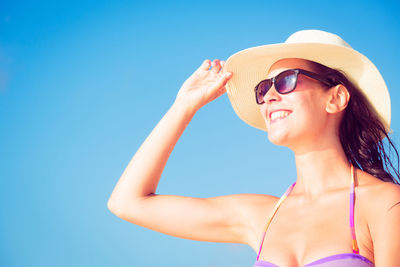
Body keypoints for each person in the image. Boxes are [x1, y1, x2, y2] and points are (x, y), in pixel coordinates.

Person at [107, 30, 400, 266]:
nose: (269, 95)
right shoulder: (261, 216)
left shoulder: (384, 204)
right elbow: (127, 202)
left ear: (335, 99)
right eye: (263, 88)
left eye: (287, 81)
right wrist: (183, 107)